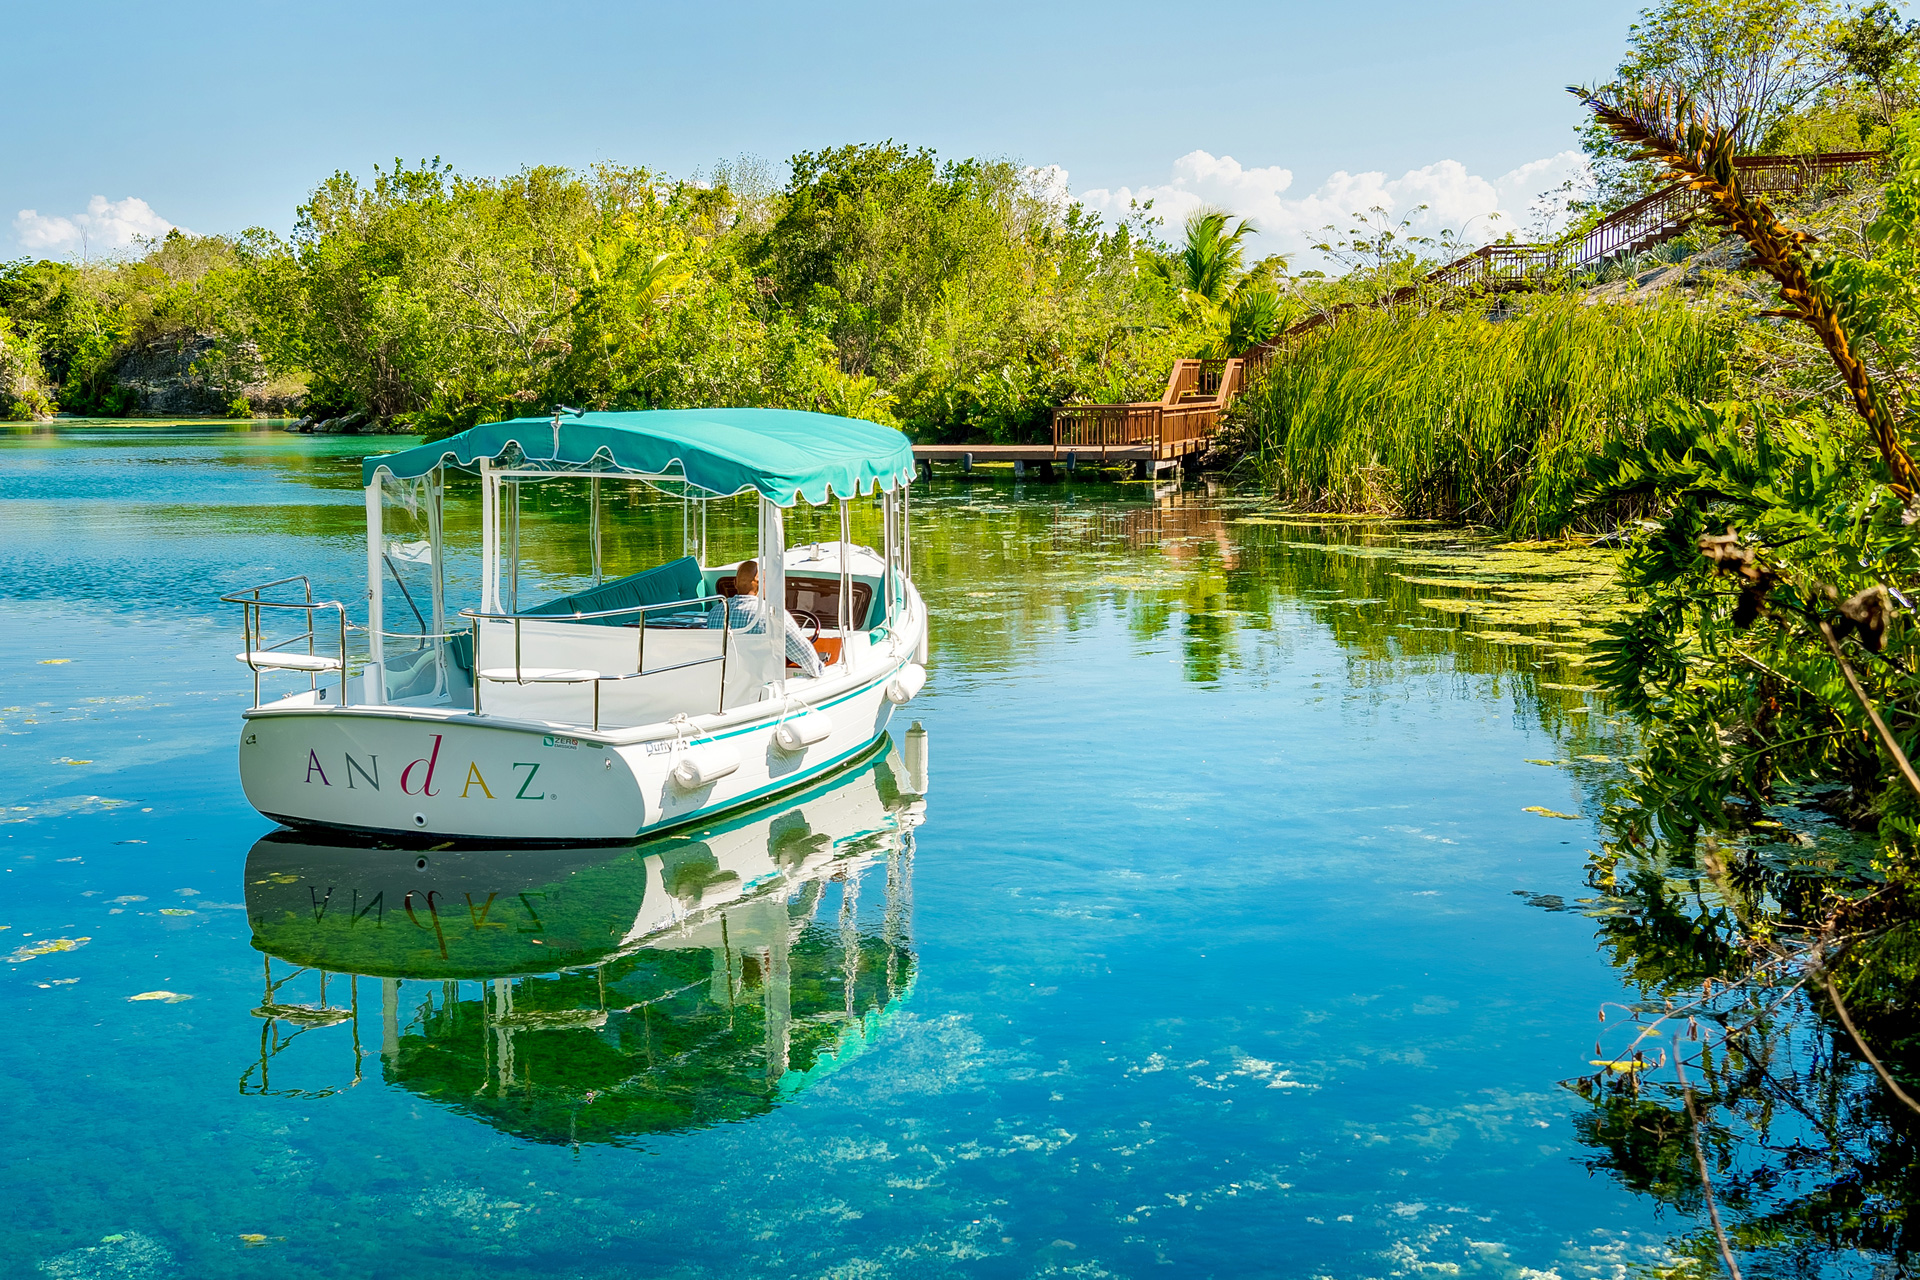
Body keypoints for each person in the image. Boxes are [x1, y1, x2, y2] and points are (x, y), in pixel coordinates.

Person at [709, 559, 825, 677]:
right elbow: (804, 655)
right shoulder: (773, 615)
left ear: (735, 583)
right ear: (761, 583)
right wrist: (818, 670)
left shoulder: (714, 613)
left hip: (725, 681)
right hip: (761, 686)